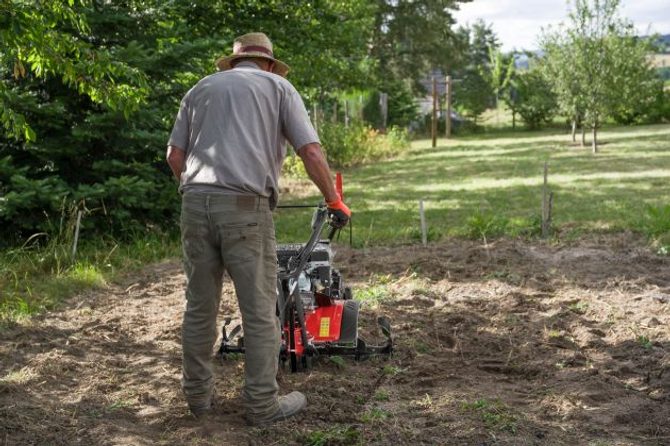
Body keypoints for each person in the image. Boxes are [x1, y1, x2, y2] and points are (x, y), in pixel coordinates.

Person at [166, 32, 350, 426]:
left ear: (235, 62)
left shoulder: (200, 89)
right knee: (260, 310)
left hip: (194, 204)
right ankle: (262, 404)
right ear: (268, 62)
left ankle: (197, 400)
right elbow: (311, 151)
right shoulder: (278, 87)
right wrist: (334, 199)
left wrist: (198, 191)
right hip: (246, 208)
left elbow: (174, 155)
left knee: (199, 307)